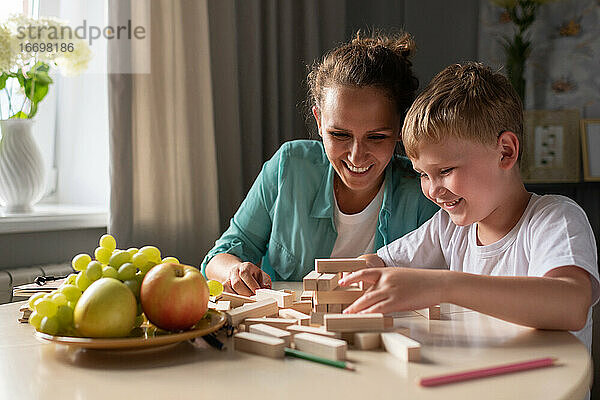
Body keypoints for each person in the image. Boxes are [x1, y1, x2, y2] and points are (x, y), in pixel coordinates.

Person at [340, 62, 599, 351]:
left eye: (446, 170)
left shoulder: (556, 218)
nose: (434, 190)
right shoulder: (447, 227)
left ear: (505, 152)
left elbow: (572, 305)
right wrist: (348, 275)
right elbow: (382, 263)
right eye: (423, 175)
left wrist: (443, 286)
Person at [202, 32, 439, 295]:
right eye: (340, 135)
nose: (356, 156)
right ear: (319, 121)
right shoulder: (289, 166)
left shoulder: (424, 189)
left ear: (400, 128)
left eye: (376, 137)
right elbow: (220, 256)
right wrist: (235, 271)